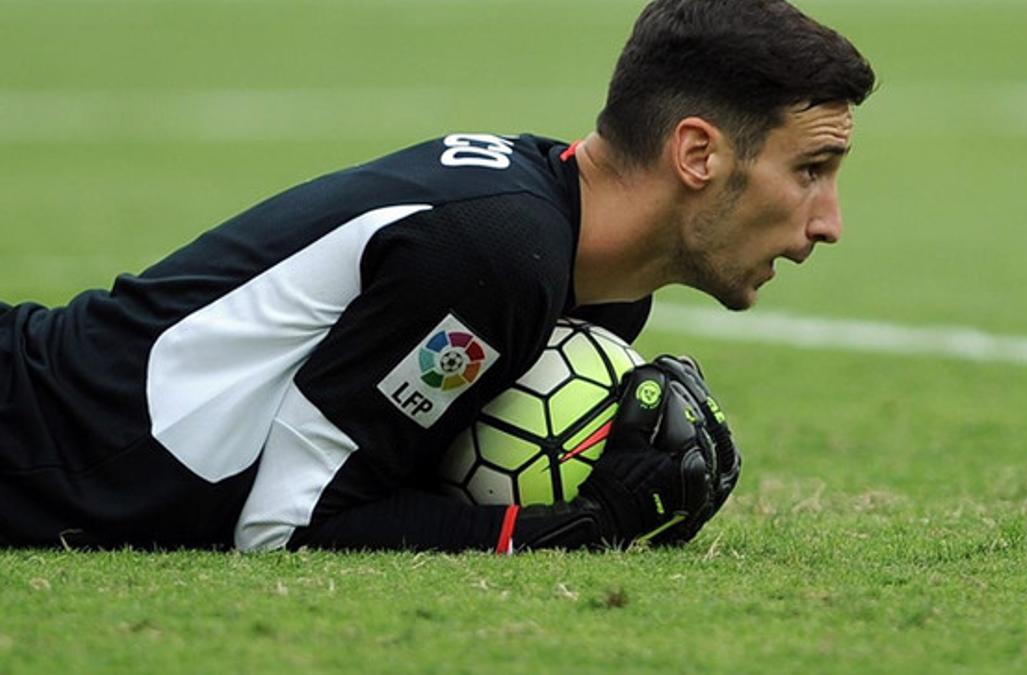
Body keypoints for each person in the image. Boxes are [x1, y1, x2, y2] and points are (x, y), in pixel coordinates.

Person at [0, 0, 874, 552]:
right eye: (811, 169)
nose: (829, 220)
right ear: (696, 153)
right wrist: (579, 527)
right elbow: (288, 524)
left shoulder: (583, 266)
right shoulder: (498, 252)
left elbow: (388, 473)